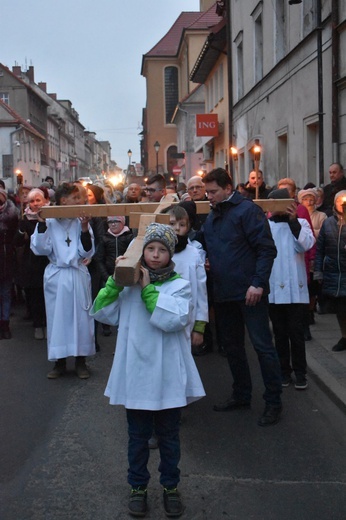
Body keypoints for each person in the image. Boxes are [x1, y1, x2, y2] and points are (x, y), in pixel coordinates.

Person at [90, 223, 205, 518]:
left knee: (168, 436)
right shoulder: (129, 285)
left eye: (162, 250)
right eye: (150, 249)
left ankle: (170, 487)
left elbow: (170, 319)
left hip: (167, 372)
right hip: (137, 371)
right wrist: (115, 282)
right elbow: (103, 311)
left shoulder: (179, 284)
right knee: (137, 437)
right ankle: (137, 487)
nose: (155, 255)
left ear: (170, 254)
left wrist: (146, 287)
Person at [196, 168, 283, 426]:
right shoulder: (214, 214)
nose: (208, 197)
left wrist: (257, 283)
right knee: (233, 348)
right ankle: (241, 394)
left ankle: (274, 402)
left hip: (249, 293)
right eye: (207, 192)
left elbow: (266, 250)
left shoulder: (248, 211)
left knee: (263, 347)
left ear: (227, 187)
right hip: (224, 293)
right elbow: (202, 243)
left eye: (212, 192)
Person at [30, 182, 96, 379]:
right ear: (62, 201)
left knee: (81, 319)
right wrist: (41, 223)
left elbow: (87, 251)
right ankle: (59, 362)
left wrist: (84, 228)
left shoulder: (80, 221)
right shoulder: (49, 221)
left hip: (76, 273)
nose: (80, 201)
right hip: (57, 275)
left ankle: (80, 361)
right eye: (76, 198)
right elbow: (40, 249)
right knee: (58, 320)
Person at [267, 188, 315, 390]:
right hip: (275, 287)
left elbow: (305, 245)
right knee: (279, 333)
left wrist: (294, 222)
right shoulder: (266, 226)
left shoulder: (301, 223)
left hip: (295, 288)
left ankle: (301, 372)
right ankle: (283, 371)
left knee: (296, 333)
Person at [162, 203, 208, 355]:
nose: (176, 228)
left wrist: (199, 327)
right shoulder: (157, 252)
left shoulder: (194, 254)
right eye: (171, 223)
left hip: (187, 321)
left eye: (182, 224)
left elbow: (201, 291)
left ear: (188, 227)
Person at [14, 188, 50, 339]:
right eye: (32, 201)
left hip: (48, 261)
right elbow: (17, 241)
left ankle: (49, 324)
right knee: (35, 295)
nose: (35, 204)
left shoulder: (52, 217)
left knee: (48, 295)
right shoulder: (25, 219)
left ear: (45, 202)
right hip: (32, 263)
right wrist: (22, 233)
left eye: (38, 200)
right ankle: (37, 325)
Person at [314, 190, 346, 352]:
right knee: (340, 309)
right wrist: (318, 271)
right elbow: (320, 249)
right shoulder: (328, 223)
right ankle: (344, 336)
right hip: (334, 272)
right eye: (340, 201)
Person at [0, 188, 19, 339]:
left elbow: (16, 237)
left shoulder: (12, 214)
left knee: (6, 293)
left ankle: (5, 323)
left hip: (6, 258)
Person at [95, 216, 134, 285]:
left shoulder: (130, 237)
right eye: (110, 222)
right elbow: (99, 259)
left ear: (122, 222)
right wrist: (106, 277)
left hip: (126, 276)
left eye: (116, 221)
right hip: (108, 277)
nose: (113, 224)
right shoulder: (104, 238)